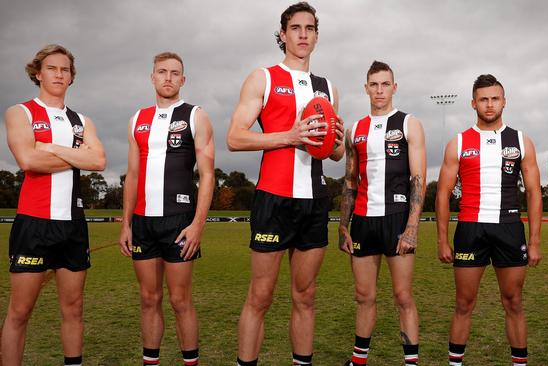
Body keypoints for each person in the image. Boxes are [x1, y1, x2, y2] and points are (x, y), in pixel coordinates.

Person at [226, 2, 344, 365]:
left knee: (305, 296)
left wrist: (338, 140)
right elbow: (235, 137)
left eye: (310, 28)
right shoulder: (263, 77)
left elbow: (336, 155)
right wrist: (289, 136)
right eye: (295, 28)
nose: (303, 34)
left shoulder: (328, 88)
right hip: (274, 198)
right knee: (260, 297)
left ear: (317, 35)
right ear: (283, 34)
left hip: (314, 200)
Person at [1, 44, 106, 366]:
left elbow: (99, 160)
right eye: (52, 68)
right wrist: (76, 155)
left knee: (73, 308)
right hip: (34, 222)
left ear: (71, 77)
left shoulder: (81, 120)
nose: (59, 74)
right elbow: (29, 160)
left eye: (65, 69)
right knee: (20, 311)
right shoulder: (20, 112)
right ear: (38, 73)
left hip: (73, 225)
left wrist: (49, 147)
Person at [436, 74, 542, 366]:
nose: (490, 104)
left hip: (509, 228)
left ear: (504, 101)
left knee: (514, 303)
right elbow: (443, 194)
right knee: (463, 303)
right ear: (473, 103)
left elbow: (534, 192)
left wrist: (534, 241)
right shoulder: (458, 142)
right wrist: (442, 239)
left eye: (495, 98)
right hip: (470, 228)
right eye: (483, 99)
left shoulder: (521, 140)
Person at [119, 52, 215, 366]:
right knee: (149, 299)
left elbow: (208, 173)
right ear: (153, 77)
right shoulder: (137, 119)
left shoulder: (195, 115)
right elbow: (131, 176)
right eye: (162, 72)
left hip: (179, 223)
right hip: (143, 223)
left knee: (179, 300)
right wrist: (126, 224)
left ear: (183, 80)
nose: (168, 78)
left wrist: (198, 225)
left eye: (175, 73)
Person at [338, 61, 426, 366]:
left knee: (403, 296)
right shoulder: (355, 129)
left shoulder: (408, 123)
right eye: (373, 84)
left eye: (385, 84)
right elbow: (350, 181)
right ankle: (358, 360)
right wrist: (343, 225)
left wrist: (412, 226)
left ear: (394, 87)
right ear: (366, 88)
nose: (379, 90)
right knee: (364, 296)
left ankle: (411, 362)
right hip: (363, 220)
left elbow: (418, 179)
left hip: (397, 219)